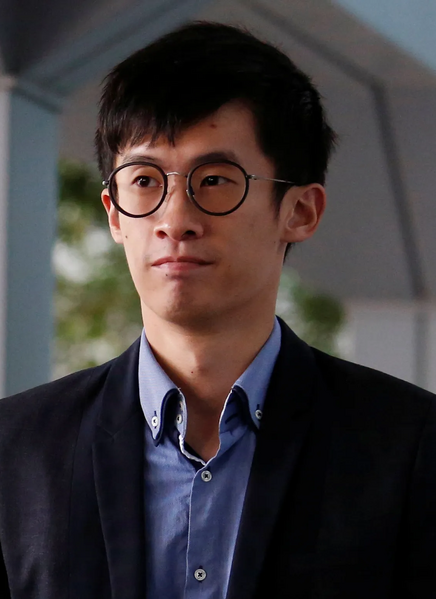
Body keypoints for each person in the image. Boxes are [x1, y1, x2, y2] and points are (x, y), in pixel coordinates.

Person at [0, 20, 435, 599]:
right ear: (113, 213)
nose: (175, 219)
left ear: (300, 211)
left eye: (214, 180)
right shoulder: (16, 449)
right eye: (144, 180)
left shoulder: (410, 447)